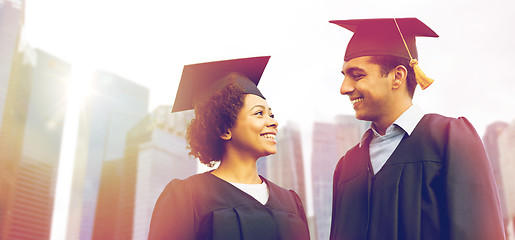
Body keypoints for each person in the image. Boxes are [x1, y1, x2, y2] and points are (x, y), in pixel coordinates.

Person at [328, 18, 505, 240]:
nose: (344, 88)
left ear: (397, 76)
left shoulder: (449, 139)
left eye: (357, 75)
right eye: (344, 76)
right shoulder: (346, 167)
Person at [148, 56, 310, 240]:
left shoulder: (290, 202)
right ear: (224, 128)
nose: (273, 122)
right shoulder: (187, 197)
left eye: (271, 114)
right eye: (259, 113)